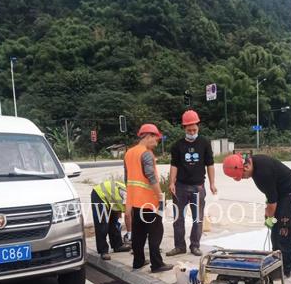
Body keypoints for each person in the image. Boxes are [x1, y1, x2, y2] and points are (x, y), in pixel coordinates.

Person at [223, 153, 291, 277]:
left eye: (242, 176)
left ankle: (285, 270)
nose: (244, 178)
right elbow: (271, 194)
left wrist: (269, 217)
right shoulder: (256, 162)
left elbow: (272, 202)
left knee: (284, 233)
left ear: (245, 167)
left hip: (290, 194)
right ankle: (277, 264)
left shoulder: (262, 174)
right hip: (281, 194)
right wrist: (269, 214)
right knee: (276, 233)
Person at [166, 110, 217, 257]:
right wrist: (171, 182)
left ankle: (195, 245)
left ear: (198, 127)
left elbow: (210, 164)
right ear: (184, 128)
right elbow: (174, 165)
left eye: (194, 129)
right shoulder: (177, 146)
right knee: (178, 218)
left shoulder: (204, 143)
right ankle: (179, 246)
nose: (192, 132)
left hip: (198, 187)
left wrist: (212, 183)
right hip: (180, 187)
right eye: (189, 130)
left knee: (198, 219)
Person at [124, 123, 173, 273]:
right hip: (149, 201)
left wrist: (129, 203)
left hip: (135, 202)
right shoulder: (146, 154)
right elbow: (151, 177)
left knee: (138, 232)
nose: (156, 143)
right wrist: (160, 197)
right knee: (156, 231)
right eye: (156, 139)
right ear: (148, 136)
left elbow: (128, 179)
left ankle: (138, 261)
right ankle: (157, 264)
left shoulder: (129, 153)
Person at [90, 179, 131, 260]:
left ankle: (117, 245)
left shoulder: (128, 196)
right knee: (102, 224)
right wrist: (130, 233)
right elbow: (127, 215)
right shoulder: (127, 196)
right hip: (99, 195)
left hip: (110, 199)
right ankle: (103, 251)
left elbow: (120, 211)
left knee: (114, 222)